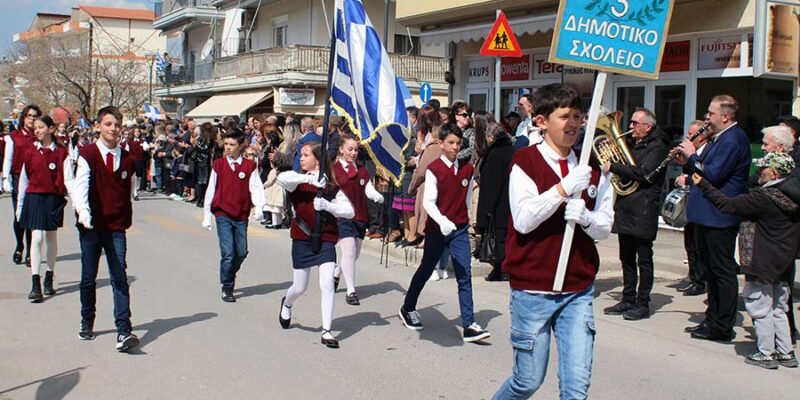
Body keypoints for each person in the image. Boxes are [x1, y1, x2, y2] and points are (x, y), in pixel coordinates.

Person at [493, 84, 613, 399]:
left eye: (577, 116)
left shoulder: (593, 167)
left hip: (578, 290)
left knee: (576, 389)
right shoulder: (525, 161)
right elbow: (523, 219)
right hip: (533, 290)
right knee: (527, 381)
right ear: (542, 121)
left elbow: (604, 227)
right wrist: (562, 189)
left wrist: (586, 218)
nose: (573, 123)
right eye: (564, 116)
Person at [692, 151, 800, 369]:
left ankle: (766, 352)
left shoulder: (765, 197)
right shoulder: (794, 197)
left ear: (774, 173)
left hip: (762, 260)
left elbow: (727, 205)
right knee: (779, 308)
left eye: (763, 169)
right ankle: (785, 351)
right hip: (783, 261)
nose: (759, 172)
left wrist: (703, 185)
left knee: (760, 307)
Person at [398, 123, 491, 343]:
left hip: (459, 229)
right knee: (426, 268)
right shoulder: (434, 169)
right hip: (436, 230)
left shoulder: (467, 169)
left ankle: (469, 324)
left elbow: (467, 198)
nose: (455, 147)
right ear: (441, 143)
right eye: (450, 143)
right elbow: (429, 202)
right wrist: (442, 221)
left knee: (464, 272)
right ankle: (408, 307)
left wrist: (463, 221)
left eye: (458, 143)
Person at [676, 95, 751, 342]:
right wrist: (686, 162)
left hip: (720, 215)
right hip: (707, 214)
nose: (707, 117)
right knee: (710, 271)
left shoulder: (733, 139)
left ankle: (722, 326)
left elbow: (714, 174)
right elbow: (700, 172)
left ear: (725, 116)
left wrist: (692, 156)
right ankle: (712, 319)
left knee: (721, 271)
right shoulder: (719, 138)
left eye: (711, 113)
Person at [70, 106, 139, 352]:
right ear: (98, 126)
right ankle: (87, 319)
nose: (113, 129)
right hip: (91, 227)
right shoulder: (87, 154)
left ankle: (124, 330)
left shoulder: (128, 158)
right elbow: (80, 185)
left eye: (117, 125)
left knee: (119, 275)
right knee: (89, 277)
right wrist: (83, 212)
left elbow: (130, 187)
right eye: (108, 124)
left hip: (116, 226)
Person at [277, 141, 355, 349]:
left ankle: (327, 331)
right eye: (301, 155)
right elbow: (281, 178)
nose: (301, 159)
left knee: (327, 283)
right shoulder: (297, 181)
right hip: (302, 238)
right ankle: (287, 303)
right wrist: (309, 179)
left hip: (325, 239)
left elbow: (349, 212)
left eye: (305, 155)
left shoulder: (331, 186)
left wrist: (328, 206)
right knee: (299, 287)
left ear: (317, 160)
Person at [601, 108, 669, 320]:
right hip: (627, 206)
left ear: (648, 126)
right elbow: (627, 166)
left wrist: (614, 166)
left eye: (634, 123)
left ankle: (643, 303)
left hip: (644, 208)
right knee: (626, 257)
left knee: (644, 259)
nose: (630, 127)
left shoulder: (658, 147)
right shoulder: (634, 143)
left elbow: (645, 174)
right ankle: (627, 298)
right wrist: (609, 149)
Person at [202, 128, 266, 303]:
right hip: (222, 213)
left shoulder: (249, 166)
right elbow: (211, 190)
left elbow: (256, 187)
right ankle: (227, 285)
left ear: (241, 146)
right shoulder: (219, 165)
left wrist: (259, 207)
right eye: (226, 144)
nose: (228, 147)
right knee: (228, 252)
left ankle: (229, 271)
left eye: (232, 144)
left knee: (242, 251)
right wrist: (207, 215)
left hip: (241, 215)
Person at [15, 116, 71, 302]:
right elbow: (24, 180)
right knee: (37, 237)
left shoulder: (61, 152)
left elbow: (68, 178)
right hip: (35, 197)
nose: (37, 130)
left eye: (41, 127)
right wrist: (20, 206)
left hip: (53, 198)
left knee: (51, 237)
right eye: (36, 128)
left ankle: (49, 275)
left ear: (51, 129)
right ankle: (35, 282)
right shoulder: (30, 151)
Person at [331, 132, 384, 305]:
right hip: (342, 215)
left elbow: (367, 187)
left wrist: (376, 195)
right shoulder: (334, 170)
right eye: (350, 149)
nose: (353, 153)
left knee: (354, 254)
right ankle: (351, 291)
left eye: (355, 150)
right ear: (341, 149)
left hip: (360, 215)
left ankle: (337, 273)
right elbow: (329, 193)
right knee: (349, 250)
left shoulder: (361, 169)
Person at [674, 121, 711, 297]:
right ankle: (694, 277)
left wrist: (687, 179)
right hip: (691, 202)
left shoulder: (707, 151)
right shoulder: (693, 153)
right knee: (690, 243)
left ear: (701, 136)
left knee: (698, 245)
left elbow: (705, 174)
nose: (688, 137)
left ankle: (700, 281)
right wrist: (683, 162)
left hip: (703, 204)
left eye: (691, 134)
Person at [3, 104, 42, 265]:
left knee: (31, 215)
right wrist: (5, 178)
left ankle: (31, 252)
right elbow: (8, 158)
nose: (32, 119)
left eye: (35, 116)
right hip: (18, 177)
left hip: (34, 178)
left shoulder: (39, 137)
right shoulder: (14, 136)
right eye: (29, 116)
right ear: (24, 118)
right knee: (19, 214)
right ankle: (20, 246)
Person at [475, 122, 513, 282]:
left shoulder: (495, 154)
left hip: (498, 205)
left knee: (497, 238)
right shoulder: (512, 150)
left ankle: (501, 269)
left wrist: (488, 208)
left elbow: (492, 184)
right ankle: (500, 269)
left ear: (491, 137)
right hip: (510, 201)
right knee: (504, 237)